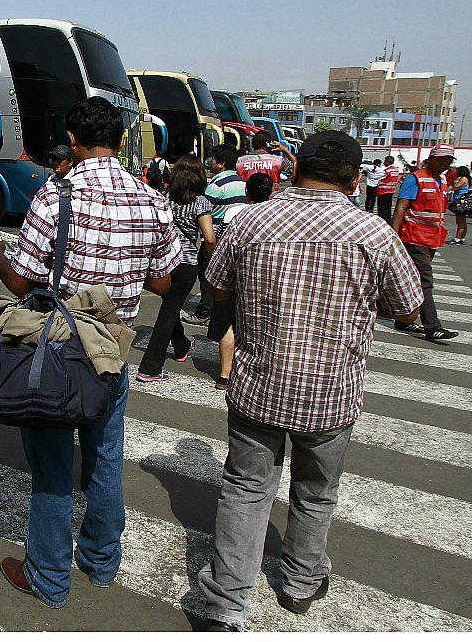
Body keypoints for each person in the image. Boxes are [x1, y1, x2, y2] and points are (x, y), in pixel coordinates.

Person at [197, 130, 423, 630]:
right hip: (332, 391)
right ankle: (300, 581)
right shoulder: (374, 233)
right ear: (356, 179)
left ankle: (228, 603)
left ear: (294, 167)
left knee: (246, 489)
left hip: (259, 384)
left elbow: (215, 286)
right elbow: (408, 308)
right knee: (316, 491)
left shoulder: (251, 221)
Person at [0, 96, 181, 610]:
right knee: (105, 458)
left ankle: (48, 577)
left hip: (59, 352)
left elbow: (22, 279)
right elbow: (163, 281)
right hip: (112, 354)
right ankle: (100, 561)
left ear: (73, 142)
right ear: (120, 141)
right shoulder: (152, 198)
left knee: (52, 465)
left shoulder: (56, 197)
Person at [136, 154, 214, 382]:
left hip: (162, 261)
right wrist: (213, 257)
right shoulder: (200, 202)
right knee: (168, 313)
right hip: (187, 263)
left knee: (170, 305)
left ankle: (181, 346)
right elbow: (209, 238)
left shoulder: (163, 198)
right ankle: (150, 367)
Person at [211, 173, 273, 390]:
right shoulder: (275, 215)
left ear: (247, 191)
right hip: (262, 275)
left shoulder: (234, 213)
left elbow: (220, 241)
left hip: (233, 272)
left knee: (227, 321)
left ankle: (224, 374)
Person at [391, 145, 459, 342]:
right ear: (431, 159)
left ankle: (403, 320)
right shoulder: (416, 178)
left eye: (448, 160)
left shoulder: (442, 181)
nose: (445, 163)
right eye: (442, 159)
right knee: (424, 282)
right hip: (414, 237)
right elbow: (401, 208)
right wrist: (393, 237)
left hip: (432, 238)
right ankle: (432, 326)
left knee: (413, 280)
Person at [184, 145, 246, 328]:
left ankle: (204, 311)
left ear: (221, 163)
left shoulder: (217, 185)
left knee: (207, 277)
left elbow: (201, 209)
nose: (209, 162)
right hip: (234, 238)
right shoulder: (243, 183)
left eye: (212, 159)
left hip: (214, 239)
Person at [447, 165, 472, 246]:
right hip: (460, 201)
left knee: (460, 221)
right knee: (463, 221)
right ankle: (462, 238)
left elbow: (455, 187)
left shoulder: (463, 179)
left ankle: (457, 238)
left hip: (460, 202)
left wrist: (454, 183)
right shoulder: (465, 178)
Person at [375, 155, 400, 223]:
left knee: (382, 209)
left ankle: (381, 222)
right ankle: (388, 221)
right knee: (388, 208)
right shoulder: (396, 170)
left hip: (383, 192)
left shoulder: (386, 171)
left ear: (387, 162)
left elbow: (376, 177)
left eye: (385, 161)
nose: (383, 163)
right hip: (391, 191)